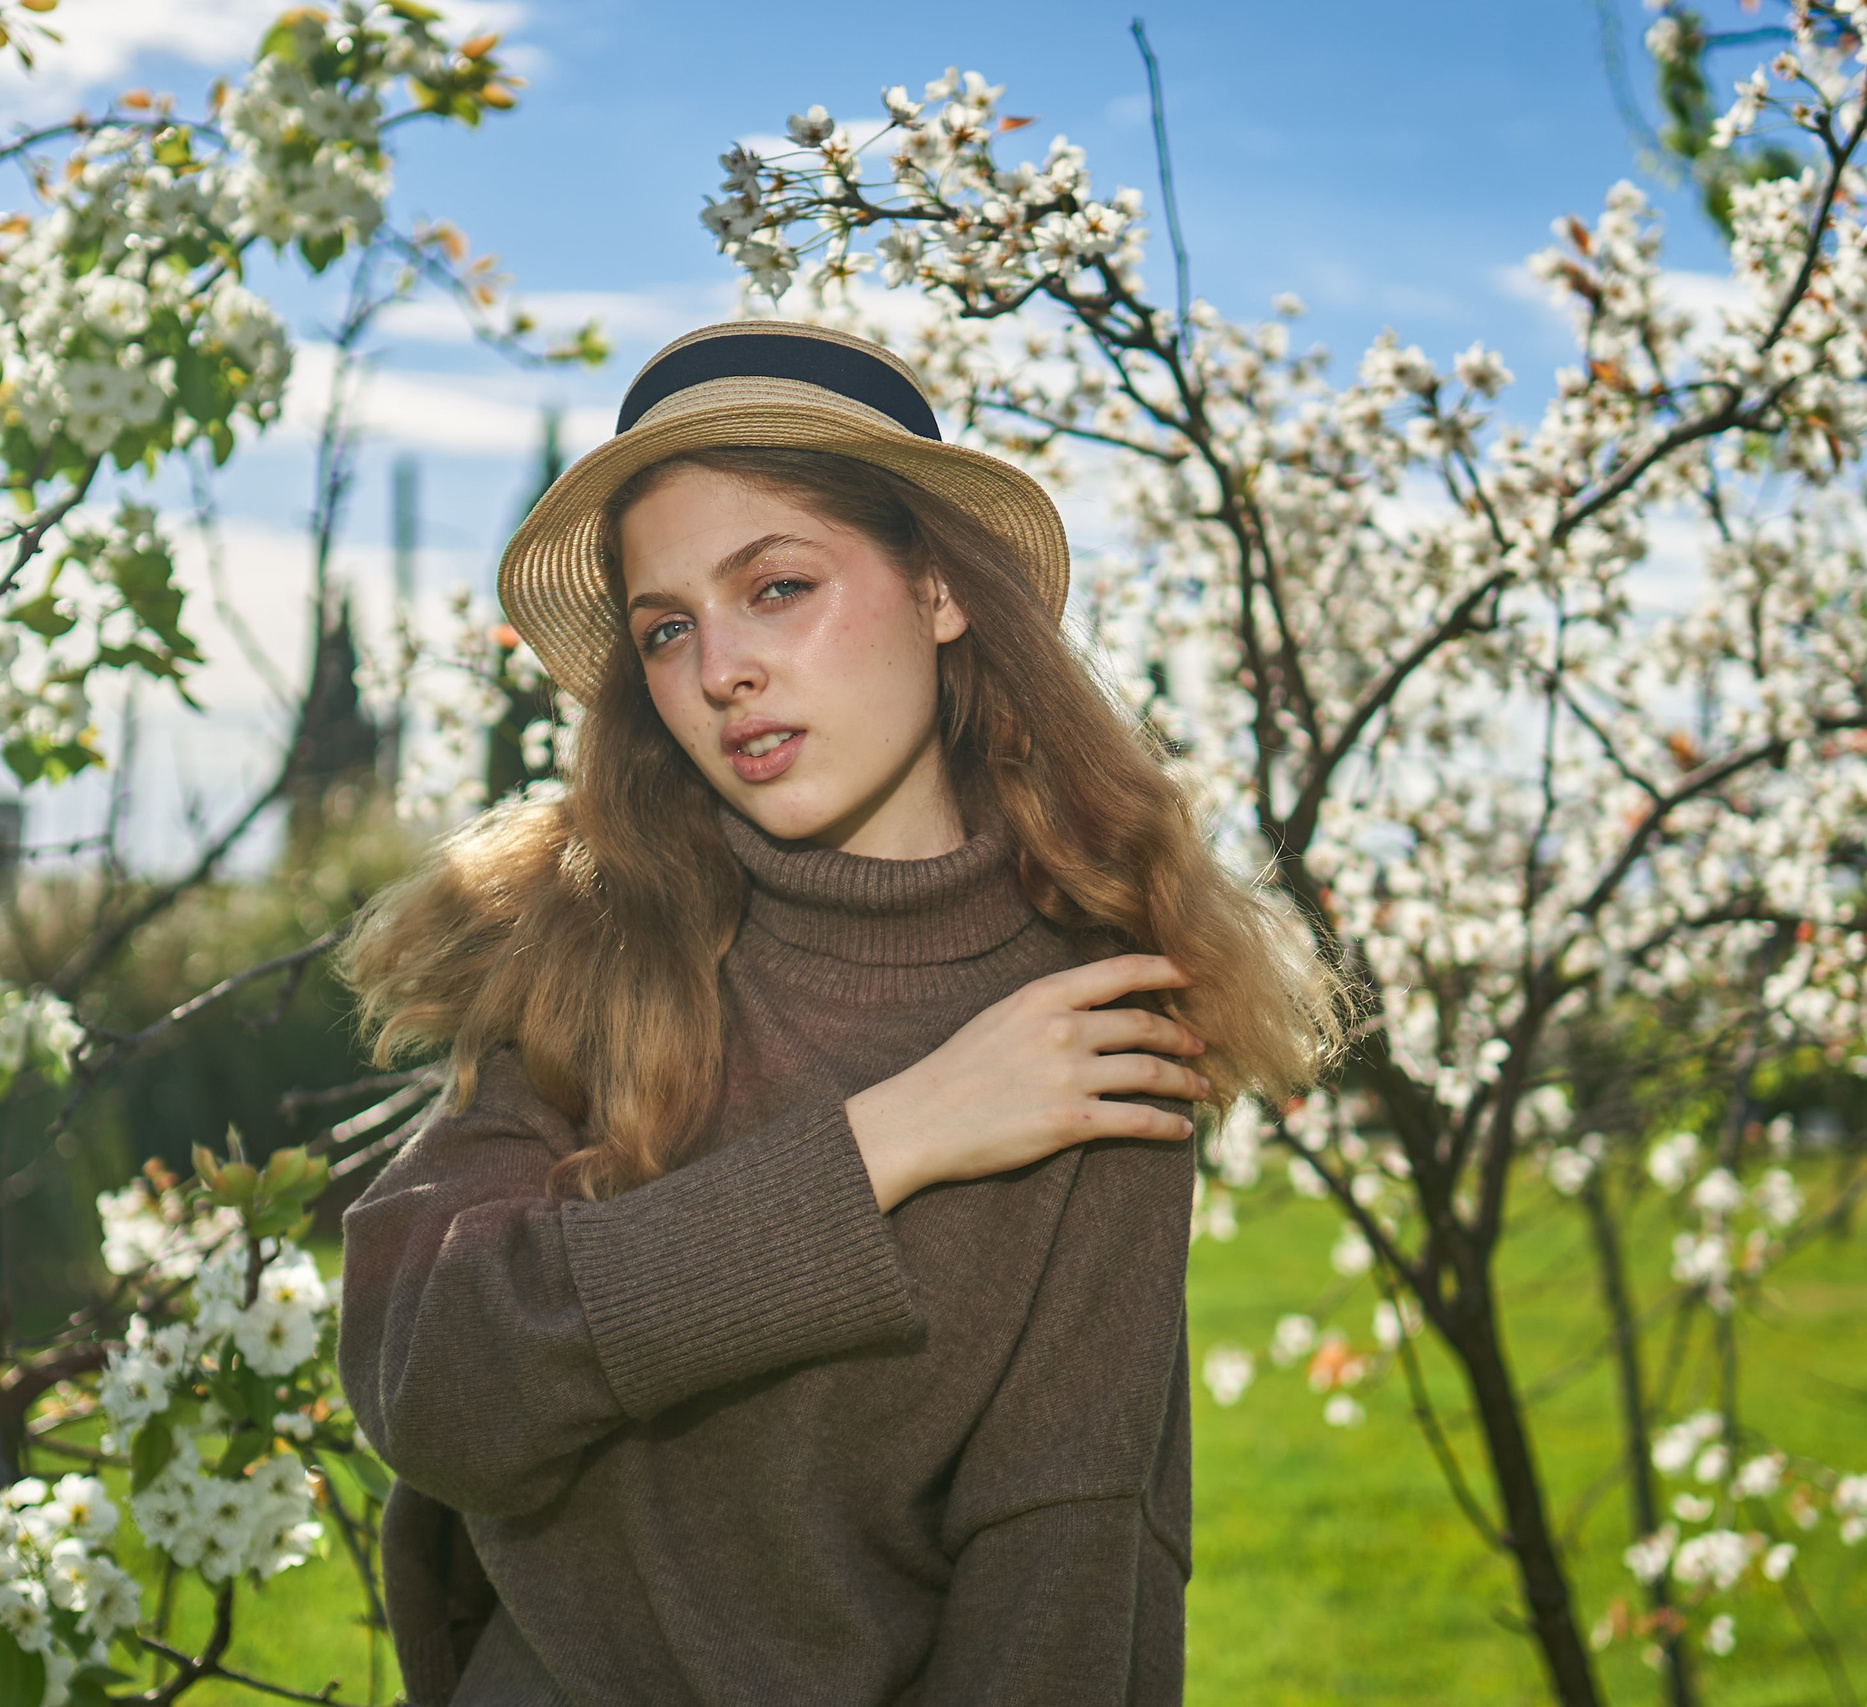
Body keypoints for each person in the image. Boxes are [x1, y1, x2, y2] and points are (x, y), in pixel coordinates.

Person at [337, 321, 1332, 1706]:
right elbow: (435, 1387)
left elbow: (1063, 1566)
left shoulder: (1091, 1032)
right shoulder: (586, 951)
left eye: (780, 587)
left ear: (938, 590)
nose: (720, 669)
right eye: (668, 627)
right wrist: (888, 1143)